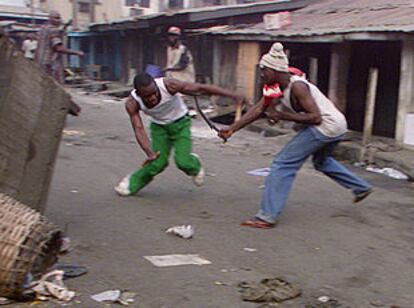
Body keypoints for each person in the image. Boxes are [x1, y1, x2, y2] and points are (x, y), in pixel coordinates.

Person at [219, 42, 373, 229]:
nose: (261, 75)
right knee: (322, 162)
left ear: (275, 70)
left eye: (264, 70)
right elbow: (260, 109)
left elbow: (315, 117)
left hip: (326, 126)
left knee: (282, 164)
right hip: (339, 126)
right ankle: (361, 187)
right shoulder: (274, 87)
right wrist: (232, 128)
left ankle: (266, 216)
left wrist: (282, 115)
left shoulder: (298, 86)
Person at [115, 73, 244, 196]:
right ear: (139, 94)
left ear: (156, 85)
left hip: (181, 123)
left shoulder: (169, 85)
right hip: (159, 128)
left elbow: (201, 88)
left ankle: (195, 165)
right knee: (157, 163)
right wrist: (149, 153)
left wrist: (232, 95)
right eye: (147, 96)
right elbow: (138, 128)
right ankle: (131, 183)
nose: (153, 97)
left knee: (183, 162)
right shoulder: (133, 103)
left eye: (154, 92)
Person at [35, 11, 83, 115]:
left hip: (40, 64)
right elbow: (58, 47)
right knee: (56, 89)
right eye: (56, 18)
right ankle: (54, 112)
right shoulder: (53, 30)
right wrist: (76, 52)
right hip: (51, 65)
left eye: (59, 18)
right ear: (50, 19)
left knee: (44, 89)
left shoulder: (43, 28)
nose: (58, 20)